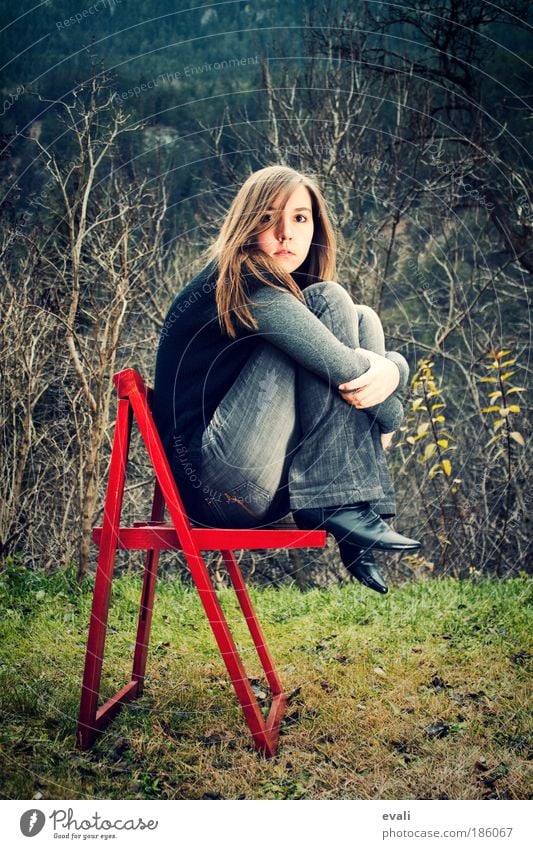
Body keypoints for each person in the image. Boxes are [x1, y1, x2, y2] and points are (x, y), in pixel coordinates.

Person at [152, 165, 420, 594]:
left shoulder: (283, 287)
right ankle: (347, 506)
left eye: (299, 218)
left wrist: (386, 376)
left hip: (267, 481)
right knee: (329, 300)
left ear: (315, 227)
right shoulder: (244, 277)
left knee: (361, 316)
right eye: (267, 218)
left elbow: (341, 367)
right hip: (217, 488)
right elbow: (365, 392)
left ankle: (350, 508)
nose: (285, 233)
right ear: (246, 225)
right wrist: (393, 378)